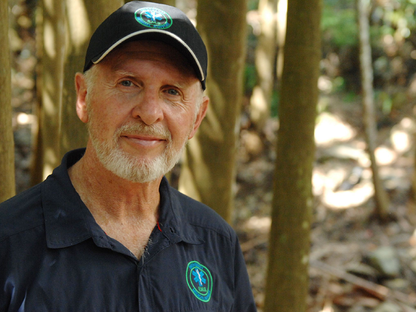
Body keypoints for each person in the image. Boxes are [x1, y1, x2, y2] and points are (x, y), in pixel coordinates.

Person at [0, 1, 257, 311]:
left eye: (172, 91)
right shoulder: (10, 242)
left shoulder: (215, 242)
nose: (149, 113)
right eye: (127, 83)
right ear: (83, 98)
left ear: (197, 118)